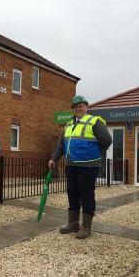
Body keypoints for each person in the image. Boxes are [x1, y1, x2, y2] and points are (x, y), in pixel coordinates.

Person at [48, 95, 112, 239]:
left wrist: (94, 152)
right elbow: (61, 145)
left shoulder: (94, 122)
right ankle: (73, 223)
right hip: (71, 165)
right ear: (72, 109)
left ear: (86, 107)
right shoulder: (69, 124)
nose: (78, 109)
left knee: (86, 195)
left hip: (88, 166)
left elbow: (107, 140)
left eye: (81, 106)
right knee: (73, 194)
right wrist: (54, 159)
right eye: (75, 107)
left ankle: (86, 227)